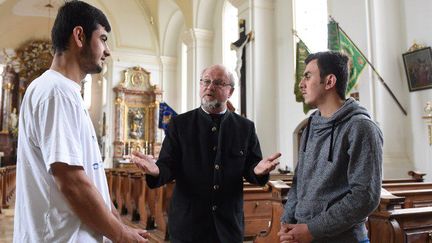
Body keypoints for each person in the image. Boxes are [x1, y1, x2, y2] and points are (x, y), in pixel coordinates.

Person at [13, 1, 148, 242]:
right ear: (79, 36)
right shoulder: (57, 92)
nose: (107, 51)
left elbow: (90, 177)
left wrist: (119, 224)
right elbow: (72, 182)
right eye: (103, 38)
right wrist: (121, 235)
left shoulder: (65, 92)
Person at [132, 64, 281, 243]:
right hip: (188, 226)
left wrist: (258, 171)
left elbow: (251, 167)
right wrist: (155, 170)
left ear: (230, 91)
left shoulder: (245, 127)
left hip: (228, 227)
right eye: (206, 81)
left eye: (218, 83)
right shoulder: (180, 124)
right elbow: (168, 166)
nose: (210, 87)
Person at [278, 51, 383, 243]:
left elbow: (364, 197)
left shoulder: (361, 127)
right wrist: (287, 224)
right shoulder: (311, 124)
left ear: (329, 81)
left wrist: (313, 229)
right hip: (303, 236)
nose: (301, 84)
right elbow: (299, 182)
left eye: (308, 76)